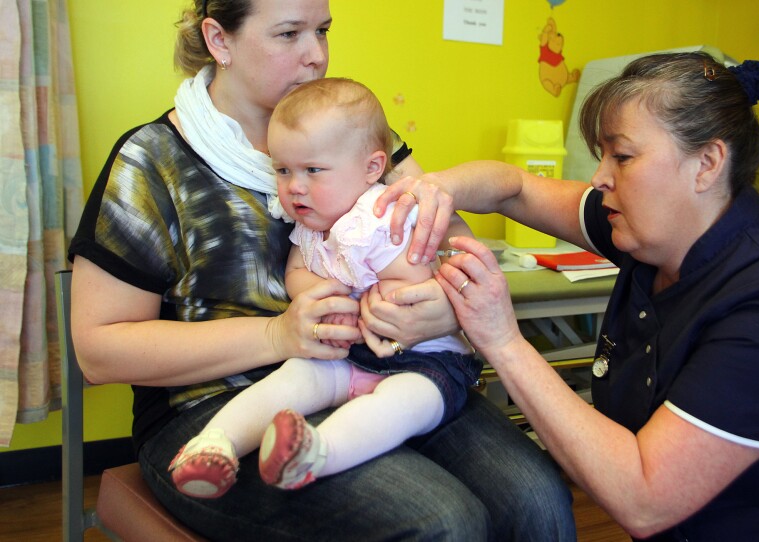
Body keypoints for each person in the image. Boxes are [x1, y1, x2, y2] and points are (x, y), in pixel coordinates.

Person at [67, 1, 576, 540]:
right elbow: (99, 350)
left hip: (385, 367)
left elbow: (444, 239)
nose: (316, 57)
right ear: (219, 40)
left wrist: (439, 306)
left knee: (536, 500)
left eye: (323, 31)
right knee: (441, 521)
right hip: (209, 402)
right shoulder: (151, 163)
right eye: (289, 34)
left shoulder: (347, 132)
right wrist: (276, 334)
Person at [379, 52, 759, 540]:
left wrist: (502, 340)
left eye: (622, 156)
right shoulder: (658, 233)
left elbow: (644, 499)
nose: (599, 178)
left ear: (706, 163)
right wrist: (431, 189)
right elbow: (515, 189)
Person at [167, 77, 482, 498]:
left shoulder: (378, 217)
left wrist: (372, 302)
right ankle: (214, 444)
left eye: (313, 170)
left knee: (405, 404)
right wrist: (321, 293)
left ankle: (317, 452)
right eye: (283, 170)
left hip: (420, 360)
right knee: (293, 378)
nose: (295, 186)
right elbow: (296, 271)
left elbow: (411, 280)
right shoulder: (311, 220)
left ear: (372, 169)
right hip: (345, 353)